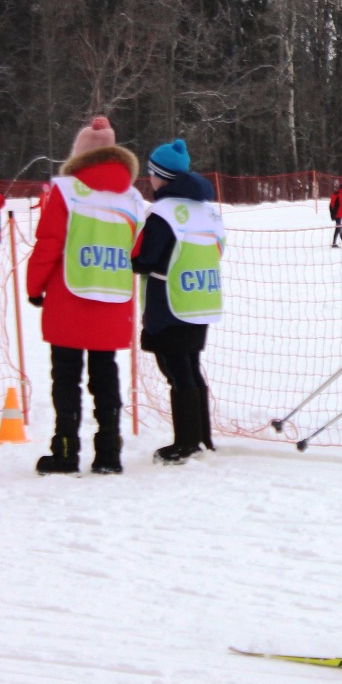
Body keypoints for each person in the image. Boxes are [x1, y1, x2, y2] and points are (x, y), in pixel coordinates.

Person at [26, 116, 145, 475]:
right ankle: (109, 452)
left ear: (79, 156)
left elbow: (49, 244)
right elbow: (136, 249)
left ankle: (65, 451)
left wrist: (35, 287)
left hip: (69, 297)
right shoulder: (134, 198)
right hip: (113, 297)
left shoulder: (65, 191)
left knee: (66, 377)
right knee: (105, 375)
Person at [131, 138, 224, 464]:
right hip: (201, 300)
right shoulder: (208, 210)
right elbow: (219, 250)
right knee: (191, 367)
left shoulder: (162, 212)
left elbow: (144, 259)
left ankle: (185, 443)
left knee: (176, 369)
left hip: (168, 302)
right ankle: (202, 437)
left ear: (160, 175)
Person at [330, 180, 342, 248]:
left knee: (339, 228)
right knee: (338, 228)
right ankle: (334, 243)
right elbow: (332, 204)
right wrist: (334, 214)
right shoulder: (337, 194)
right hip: (337, 214)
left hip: (341, 214)